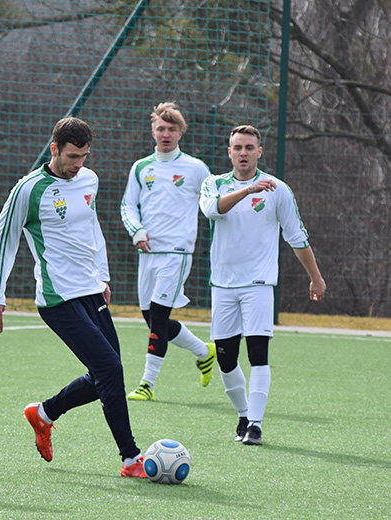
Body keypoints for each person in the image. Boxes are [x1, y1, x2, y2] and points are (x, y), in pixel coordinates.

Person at [0, 117, 147, 478]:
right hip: (58, 298)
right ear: (54, 149)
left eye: (84, 156)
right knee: (110, 371)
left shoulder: (89, 179)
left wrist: (103, 275)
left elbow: (91, 226)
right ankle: (131, 459)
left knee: (106, 376)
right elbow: (4, 239)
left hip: (91, 290)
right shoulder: (28, 189)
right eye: (72, 156)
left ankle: (44, 413)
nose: (78, 164)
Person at [199, 124, 326, 445]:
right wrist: (247, 191)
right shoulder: (213, 184)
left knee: (258, 354)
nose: (243, 153)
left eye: (249, 148)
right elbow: (211, 210)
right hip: (223, 286)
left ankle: (255, 425)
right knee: (226, 359)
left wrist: (316, 276)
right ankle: (243, 414)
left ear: (259, 151)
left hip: (258, 284)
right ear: (229, 153)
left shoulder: (278, 189)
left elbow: (297, 237)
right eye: (237, 148)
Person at [120, 102, 216, 401]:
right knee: (152, 319)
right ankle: (203, 351)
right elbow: (127, 206)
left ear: (180, 133)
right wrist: (136, 231)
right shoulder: (141, 167)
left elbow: (214, 203)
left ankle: (146, 385)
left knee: (159, 317)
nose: (166, 134)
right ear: (153, 131)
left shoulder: (195, 168)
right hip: (147, 253)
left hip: (177, 253)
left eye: (172, 129)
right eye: (161, 128)